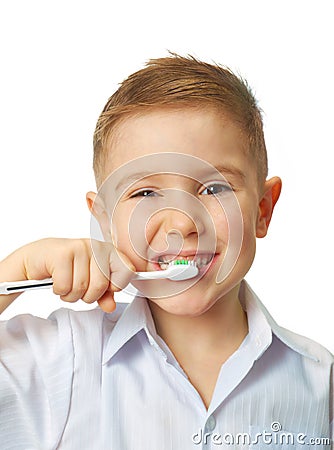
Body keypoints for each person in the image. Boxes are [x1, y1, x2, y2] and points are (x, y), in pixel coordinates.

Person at [0, 53, 332, 450]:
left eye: (214, 188)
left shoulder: (320, 383)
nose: (181, 224)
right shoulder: (60, 358)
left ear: (262, 210)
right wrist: (12, 273)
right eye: (145, 193)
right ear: (104, 221)